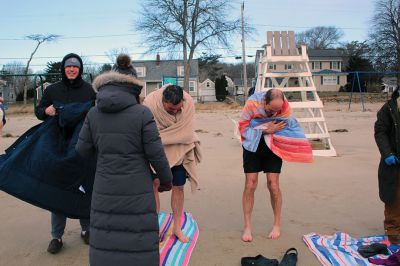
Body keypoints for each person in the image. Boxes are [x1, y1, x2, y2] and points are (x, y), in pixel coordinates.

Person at [76, 54, 173, 266]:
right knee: (138, 239)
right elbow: (156, 154)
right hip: (137, 188)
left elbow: (82, 150)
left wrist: (103, 160)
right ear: (133, 85)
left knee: (106, 237)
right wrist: (166, 180)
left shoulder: (93, 114)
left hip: (104, 187)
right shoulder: (142, 114)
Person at [35, 53, 96, 254]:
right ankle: (57, 236)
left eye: (75, 67)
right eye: (68, 67)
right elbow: (38, 111)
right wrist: (46, 111)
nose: (71, 69)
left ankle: (86, 230)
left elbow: (98, 113)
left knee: (83, 187)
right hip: (57, 146)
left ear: (80, 69)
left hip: (82, 146)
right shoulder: (52, 90)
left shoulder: (88, 90)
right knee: (58, 190)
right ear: (63, 68)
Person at [143, 84, 201, 243]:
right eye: (171, 110)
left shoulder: (188, 102)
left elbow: (187, 132)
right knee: (154, 185)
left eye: (178, 109)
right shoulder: (149, 104)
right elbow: (149, 134)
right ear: (163, 101)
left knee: (179, 187)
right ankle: (154, 229)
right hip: (157, 153)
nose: (175, 112)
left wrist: (171, 137)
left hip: (181, 151)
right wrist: (174, 136)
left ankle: (177, 227)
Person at [239, 88, 288, 242]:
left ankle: (277, 224)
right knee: (250, 184)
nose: (274, 113)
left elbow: (288, 126)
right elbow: (243, 127)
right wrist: (266, 130)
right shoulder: (252, 104)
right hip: (253, 145)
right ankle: (247, 227)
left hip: (273, 145)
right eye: (272, 109)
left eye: (277, 110)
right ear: (264, 102)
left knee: (273, 185)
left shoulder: (284, 107)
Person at [374, 86, 400, 244]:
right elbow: (380, 131)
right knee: (394, 198)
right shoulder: (388, 108)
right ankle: (393, 231)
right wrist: (387, 153)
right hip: (393, 162)